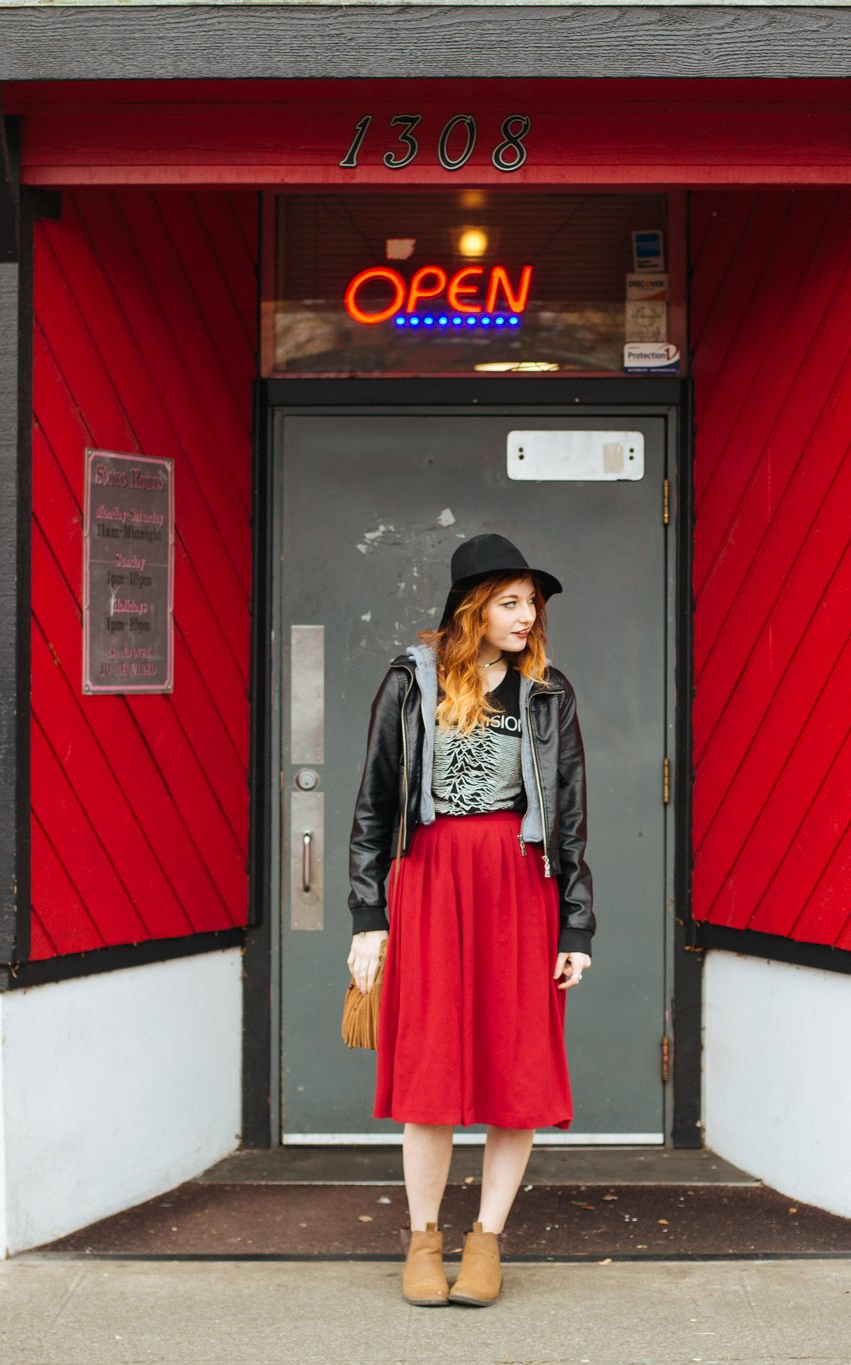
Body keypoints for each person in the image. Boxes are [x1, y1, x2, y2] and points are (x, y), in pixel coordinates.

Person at [345, 532, 594, 1308]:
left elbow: (573, 817)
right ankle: (424, 1237)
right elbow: (374, 804)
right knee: (430, 1064)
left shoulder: (548, 690)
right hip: (429, 879)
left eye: (532, 603)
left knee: (515, 1062)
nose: (527, 617)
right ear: (472, 607)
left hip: (521, 885)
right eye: (512, 602)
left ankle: (485, 1238)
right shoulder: (409, 682)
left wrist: (576, 929)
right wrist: (367, 918)